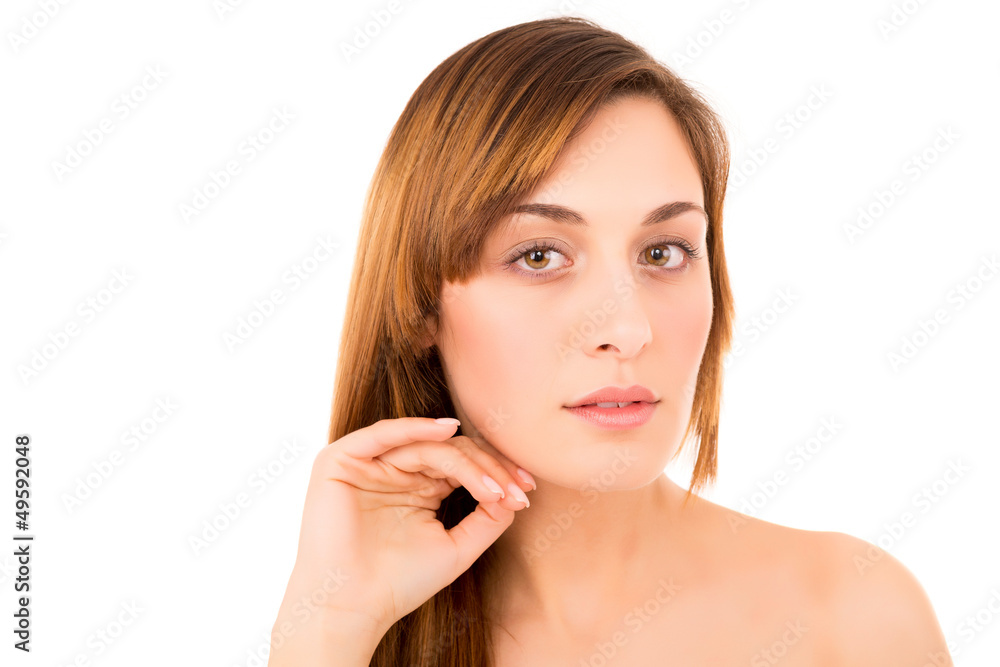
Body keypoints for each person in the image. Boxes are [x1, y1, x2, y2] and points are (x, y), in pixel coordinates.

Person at [268, 16, 952, 666]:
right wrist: (329, 624)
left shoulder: (853, 617)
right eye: (539, 256)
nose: (628, 329)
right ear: (421, 304)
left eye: (663, 252)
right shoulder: (355, 625)